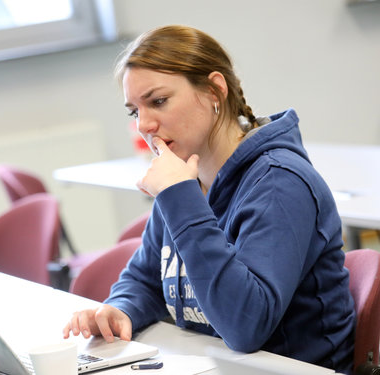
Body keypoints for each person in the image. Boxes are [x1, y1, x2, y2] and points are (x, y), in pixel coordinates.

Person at [63, 25, 356, 374]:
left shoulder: (279, 182)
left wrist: (180, 199)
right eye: (134, 111)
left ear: (215, 89)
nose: (144, 124)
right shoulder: (186, 178)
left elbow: (245, 327)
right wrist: (121, 309)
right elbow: (146, 279)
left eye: (158, 101)